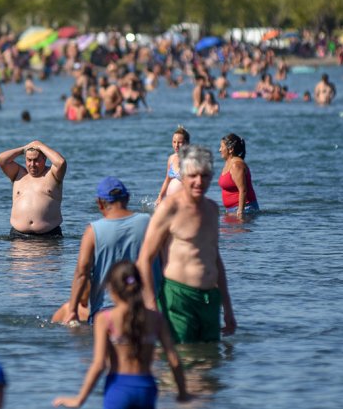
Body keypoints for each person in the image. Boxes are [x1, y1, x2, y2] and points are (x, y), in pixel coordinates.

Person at [53, 260, 189, 408]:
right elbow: (173, 359)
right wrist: (182, 393)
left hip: (118, 388)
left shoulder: (105, 318)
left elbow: (99, 364)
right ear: (140, 285)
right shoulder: (156, 318)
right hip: (146, 388)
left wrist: (79, 399)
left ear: (111, 288)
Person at [136, 145, 236, 344]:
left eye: (205, 175)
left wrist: (228, 309)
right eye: (193, 176)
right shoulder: (169, 208)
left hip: (209, 300)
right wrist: (151, 307)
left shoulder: (212, 209)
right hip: (178, 299)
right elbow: (144, 260)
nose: (199, 181)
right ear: (182, 175)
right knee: (183, 362)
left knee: (210, 365)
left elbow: (215, 259)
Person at [54, 177, 154, 324]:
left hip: (106, 311)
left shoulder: (93, 231)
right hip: (146, 308)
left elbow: (82, 273)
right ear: (127, 198)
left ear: (100, 203)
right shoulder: (148, 222)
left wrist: (73, 310)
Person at [0, 141, 66, 238]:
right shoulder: (18, 173)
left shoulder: (53, 174)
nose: (32, 164)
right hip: (18, 237)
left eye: (36, 160)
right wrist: (24, 148)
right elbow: (1, 159)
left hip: (49, 236)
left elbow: (60, 162)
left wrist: (40, 146)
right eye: (29, 160)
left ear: (44, 158)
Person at [219, 133, 259, 218]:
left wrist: (240, 212)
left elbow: (243, 190)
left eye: (222, 147)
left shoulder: (236, 166)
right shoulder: (228, 163)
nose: (219, 150)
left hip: (244, 209)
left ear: (231, 149)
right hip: (232, 210)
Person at [155, 126, 190, 205]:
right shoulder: (171, 158)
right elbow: (167, 180)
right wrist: (160, 196)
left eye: (180, 142)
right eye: (174, 142)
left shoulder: (190, 159)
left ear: (187, 143)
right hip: (170, 203)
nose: (176, 145)